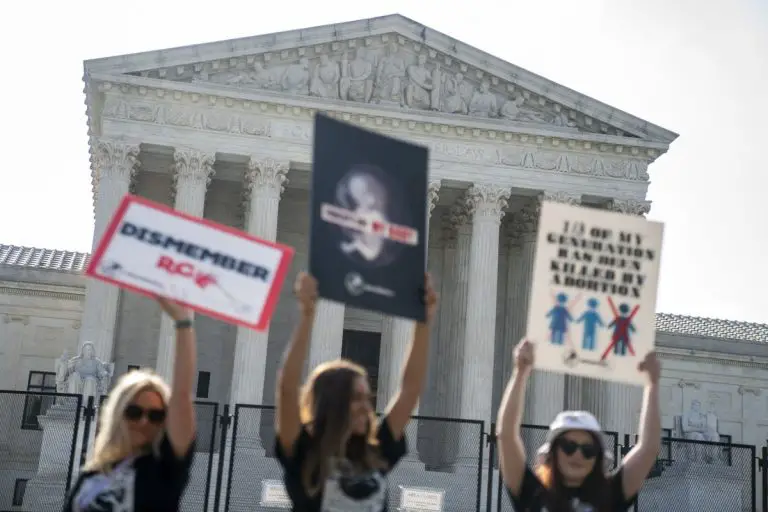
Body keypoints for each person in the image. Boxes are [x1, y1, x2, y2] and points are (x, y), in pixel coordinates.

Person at [275, 271, 438, 511]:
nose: (366, 405)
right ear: (332, 401)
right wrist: (307, 316)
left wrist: (423, 321)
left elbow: (410, 390)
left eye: (367, 397)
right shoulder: (305, 453)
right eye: (356, 398)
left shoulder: (375, 450)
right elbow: (288, 390)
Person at [62, 297, 197, 512]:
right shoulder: (92, 474)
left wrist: (182, 321)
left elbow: (181, 394)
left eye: (156, 415)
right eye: (134, 412)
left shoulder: (164, 469)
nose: (144, 421)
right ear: (118, 414)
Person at [497, 339, 661, 511]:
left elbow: (648, 448)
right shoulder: (532, 492)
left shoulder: (611, 494)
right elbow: (506, 436)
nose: (578, 455)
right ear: (553, 451)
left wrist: (652, 384)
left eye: (588, 450)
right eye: (568, 446)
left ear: (597, 458)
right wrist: (521, 372)